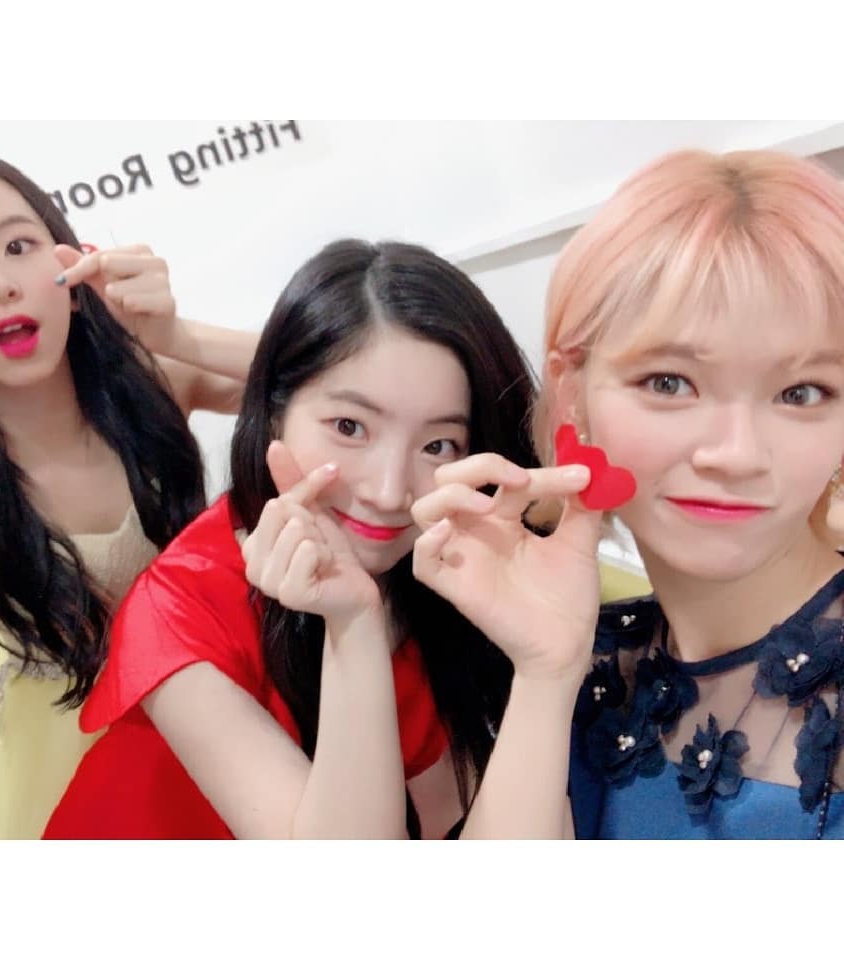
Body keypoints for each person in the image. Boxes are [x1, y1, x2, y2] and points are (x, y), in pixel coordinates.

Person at [42, 237, 594, 839]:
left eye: (437, 445)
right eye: (349, 427)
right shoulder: (178, 608)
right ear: (273, 413)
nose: (388, 491)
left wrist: (545, 668)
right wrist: (354, 628)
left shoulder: (449, 565)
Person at [410, 147, 844, 839]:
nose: (735, 453)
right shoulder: (589, 660)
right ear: (573, 395)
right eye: (669, 382)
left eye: (802, 392)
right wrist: (545, 675)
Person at [0, 144, 257, 838]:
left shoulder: (148, 382)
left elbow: (337, 389)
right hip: (66, 812)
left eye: (18, 246)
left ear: (72, 263)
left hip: (224, 770)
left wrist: (178, 336)